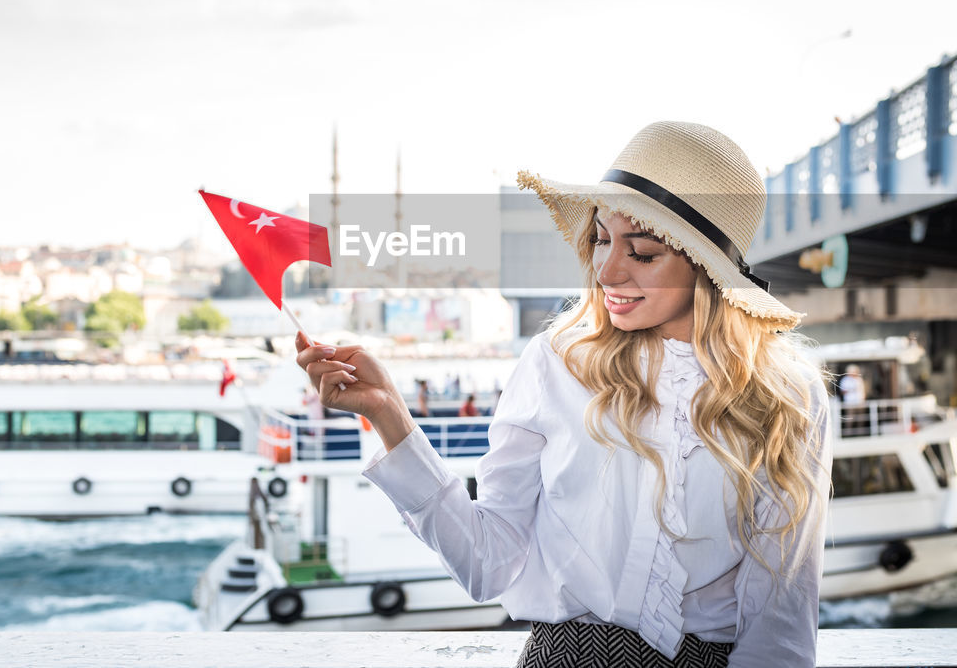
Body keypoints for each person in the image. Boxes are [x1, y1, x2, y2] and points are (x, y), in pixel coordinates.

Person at [297, 121, 833, 667]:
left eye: (642, 253)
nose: (606, 269)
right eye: (601, 239)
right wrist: (390, 416)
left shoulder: (790, 394)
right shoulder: (556, 360)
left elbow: (780, 627)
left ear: (707, 271)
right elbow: (487, 564)